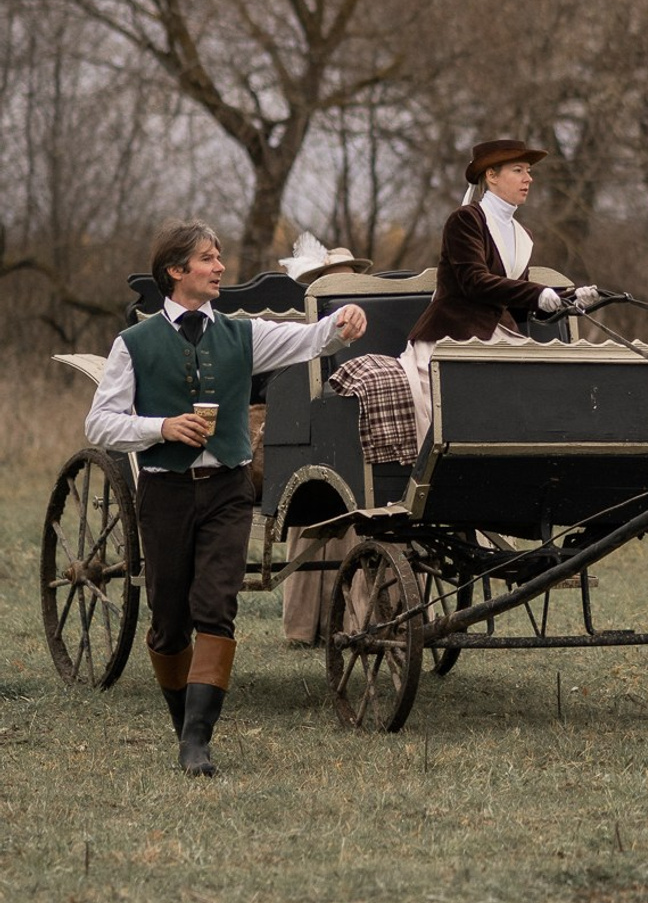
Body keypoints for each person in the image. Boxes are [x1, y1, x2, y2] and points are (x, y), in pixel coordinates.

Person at [85, 220, 368, 777]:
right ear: (176, 271)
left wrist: (344, 321)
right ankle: (185, 725)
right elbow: (99, 425)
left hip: (227, 491)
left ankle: (198, 740)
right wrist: (161, 428)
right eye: (209, 259)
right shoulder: (133, 345)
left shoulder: (244, 334)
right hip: (164, 493)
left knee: (216, 608)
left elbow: (309, 340)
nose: (220, 267)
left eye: (218, 257)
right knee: (168, 623)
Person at [395, 139, 597, 448]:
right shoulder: (465, 220)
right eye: (518, 170)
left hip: (500, 336)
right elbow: (474, 282)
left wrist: (567, 300)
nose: (528, 178)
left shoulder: (522, 234)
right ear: (491, 176)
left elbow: (518, 307)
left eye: (528, 171)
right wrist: (538, 293)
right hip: (454, 339)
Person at [273, 234, 372, 646]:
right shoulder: (305, 334)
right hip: (314, 439)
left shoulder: (374, 326)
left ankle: (363, 620)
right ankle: (305, 626)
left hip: (364, 430)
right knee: (317, 516)